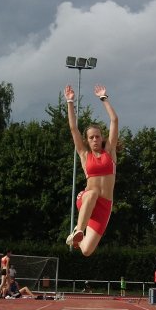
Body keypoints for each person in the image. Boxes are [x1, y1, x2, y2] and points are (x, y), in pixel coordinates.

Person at [64, 84, 119, 257]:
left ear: (102, 138)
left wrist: (104, 98)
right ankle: (79, 230)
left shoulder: (110, 152)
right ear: (87, 140)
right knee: (93, 192)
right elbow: (73, 128)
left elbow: (114, 120)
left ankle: (78, 238)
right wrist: (70, 102)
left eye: (97, 136)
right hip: (87, 198)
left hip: (104, 205)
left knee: (87, 251)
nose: (95, 139)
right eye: (91, 137)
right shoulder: (84, 154)